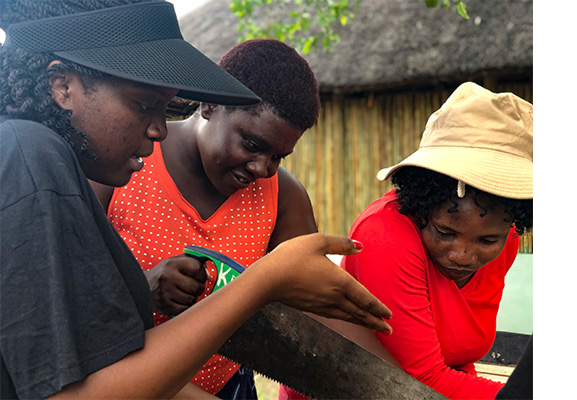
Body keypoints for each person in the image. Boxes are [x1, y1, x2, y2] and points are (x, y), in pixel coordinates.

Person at [0, 2, 391, 399]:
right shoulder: (31, 161)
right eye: (143, 105)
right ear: (62, 86)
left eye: (164, 107)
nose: (159, 129)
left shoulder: (36, 154)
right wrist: (264, 281)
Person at [91, 37, 395, 399]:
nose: (262, 168)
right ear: (209, 104)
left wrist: (402, 391)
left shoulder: (283, 197)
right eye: (252, 145)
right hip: (127, 382)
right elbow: (72, 302)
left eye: (279, 157)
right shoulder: (124, 167)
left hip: (228, 387)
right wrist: (143, 288)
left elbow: (322, 312)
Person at [340, 82, 533, 399]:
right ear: (421, 203)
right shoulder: (383, 235)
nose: (463, 255)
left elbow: (457, 354)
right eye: (445, 232)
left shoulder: (506, 240)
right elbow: (423, 378)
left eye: (487, 240)